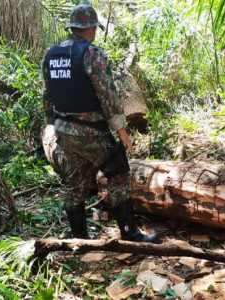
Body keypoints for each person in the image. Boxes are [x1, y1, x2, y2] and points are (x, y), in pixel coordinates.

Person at [42, 4, 159, 243]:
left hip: (64, 132)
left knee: (74, 182)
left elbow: (47, 95)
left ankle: (80, 238)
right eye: (95, 27)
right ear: (91, 28)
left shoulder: (51, 54)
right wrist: (122, 133)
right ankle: (130, 234)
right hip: (92, 133)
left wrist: (52, 125)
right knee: (118, 173)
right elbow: (108, 96)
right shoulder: (92, 54)